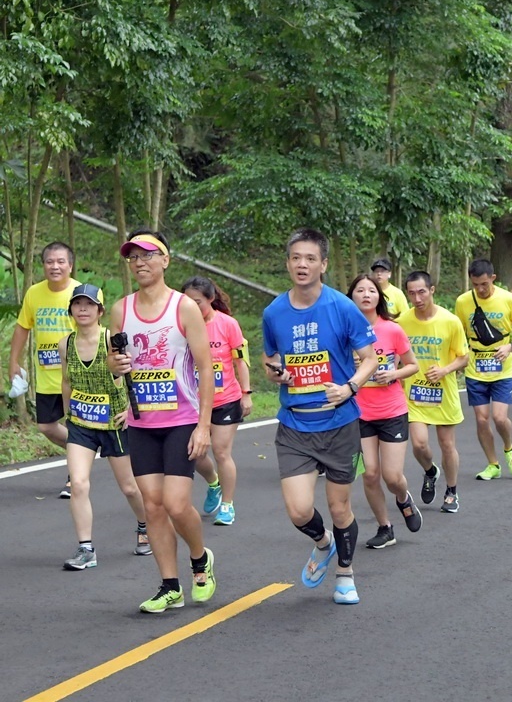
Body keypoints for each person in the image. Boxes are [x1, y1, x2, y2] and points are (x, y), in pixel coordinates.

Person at [261, 228, 379, 605]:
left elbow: (371, 358)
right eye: (296, 257)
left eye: (310, 258)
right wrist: (276, 371)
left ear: (323, 265)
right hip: (295, 423)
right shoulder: (273, 313)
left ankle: (345, 573)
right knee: (298, 510)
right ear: (287, 262)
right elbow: (270, 362)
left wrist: (350, 387)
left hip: (339, 422)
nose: (302, 264)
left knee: (339, 506)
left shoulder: (342, 308)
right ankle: (322, 542)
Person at [108, 229, 216, 613]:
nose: (140, 262)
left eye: (148, 255)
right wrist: (114, 365)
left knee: (174, 502)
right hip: (141, 422)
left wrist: (204, 425)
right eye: (133, 257)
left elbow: (206, 368)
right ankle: (170, 586)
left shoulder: (184, 307)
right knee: (152, 506)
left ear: (166, 260)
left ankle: (200, 560)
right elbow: (116, 364)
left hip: (182, 419)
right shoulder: (120, 310)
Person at [58, 283, 150, 570]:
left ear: (99, 310)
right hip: (81, 424)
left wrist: (129, 410)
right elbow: (66, 381)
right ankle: (86, 548)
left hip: (113, 423)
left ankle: (145, 526)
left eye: (88, 305)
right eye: (77, 304)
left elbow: (135, 374)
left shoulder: (113, 340)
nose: (82, 309)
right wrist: (68, 412)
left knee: (130, 488)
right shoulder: (66, 344)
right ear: (71, 310)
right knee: (79, 484)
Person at [346, 275, 420, 550]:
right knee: (370, 474)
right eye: (360, 290)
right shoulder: (345, 331)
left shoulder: (392, 330)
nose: (366, 294)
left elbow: (413, 365)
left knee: (392, 476)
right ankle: (385, 527)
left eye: (371, 290)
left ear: (379, 296)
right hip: (359, 413)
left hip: (392, 411)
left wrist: (394, 373)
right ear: (351, 296)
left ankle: (403, 499)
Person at [10, 241, 88, 499]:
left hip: (77, 375)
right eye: (49, 262)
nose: (55, 266)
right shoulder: (34, 293)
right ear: (43, 265)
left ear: (70, 265)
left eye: (60, 261)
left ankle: (73, 478)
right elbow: (23, 327)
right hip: (46, 375)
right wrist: (14, 361)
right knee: (46, 426)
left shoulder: (83, 292)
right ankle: (82, 450)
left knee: (75, 425)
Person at [181, 277, 251, 526]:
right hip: (193, 402)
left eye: (197, 301)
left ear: (211, 299)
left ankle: (228, 505)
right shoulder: (181, 325)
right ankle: (214, 483)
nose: (192, 306)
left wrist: (246, 392)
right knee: (194, 453)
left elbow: (240, 359)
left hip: (226, 399)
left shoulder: (227, 324)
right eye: (187, 301)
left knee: (221, 452)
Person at [397, 271, 469, 514]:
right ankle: (430, 471)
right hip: (414, 393)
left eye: (422, 292)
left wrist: (445, 370)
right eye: (412, 293)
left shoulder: (450, 321)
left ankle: (452, 490)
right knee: (418, 445)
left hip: (443, 392)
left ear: (432, 290)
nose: (417, 298)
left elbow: (464, 357)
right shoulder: (402, 321)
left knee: (447, 445)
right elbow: (396, 355)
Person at [453, 259, 512, 481]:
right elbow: (457, 333)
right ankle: (492, 464)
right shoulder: (463, 302)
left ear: (493, 279)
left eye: (484, 284)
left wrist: (511, 346)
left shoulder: (509, 299)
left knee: (499, 417)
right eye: (475, 284)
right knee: (482, 419)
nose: (480, 289)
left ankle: (508, 448)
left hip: (502, 368)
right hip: (475, 367)